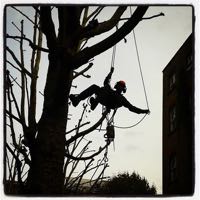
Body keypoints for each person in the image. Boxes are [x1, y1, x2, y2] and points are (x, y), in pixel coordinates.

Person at [69, 67, 150, 114]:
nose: (119, 86)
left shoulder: (122, 99)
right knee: (95, 87)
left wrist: (144, 111)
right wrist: (110, 73)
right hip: (104, 98)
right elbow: (106, 82)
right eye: (119, 85)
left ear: (123, 89)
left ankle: (95, 103)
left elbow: (132, 108)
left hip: (111, 103)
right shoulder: (111, 90)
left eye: (121, 86)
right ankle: (78, 99)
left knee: (106, 88)